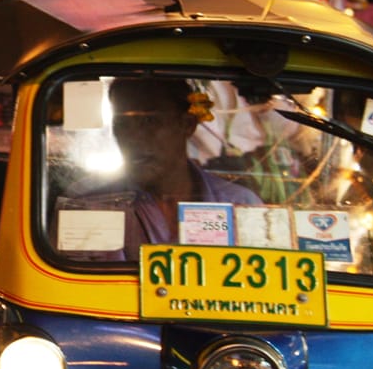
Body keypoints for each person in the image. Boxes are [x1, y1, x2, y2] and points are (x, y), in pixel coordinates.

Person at [55, 77, 261, 260]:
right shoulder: (88, 203)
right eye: (122, 124)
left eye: (149, 121)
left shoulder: (240, 207)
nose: (132, 138)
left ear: (187, 125)